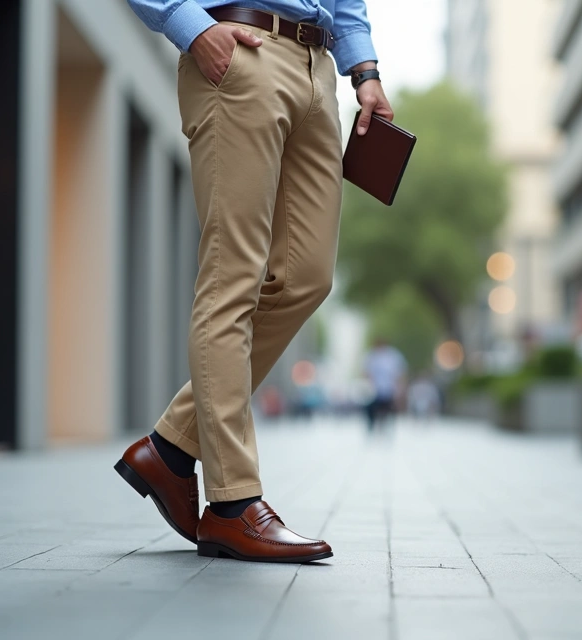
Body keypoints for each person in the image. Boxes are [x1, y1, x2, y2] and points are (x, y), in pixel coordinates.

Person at [114, 0, 392, 564]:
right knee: (231, 278)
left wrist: (364, 69)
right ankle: (232, 504)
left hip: (318, 69)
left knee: (307, 278)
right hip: (240, 49)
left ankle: (172, 446)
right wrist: (189, 25)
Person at [362, 338, 406, 431]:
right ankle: (371, 426)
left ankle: (387, 427)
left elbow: (400, 372)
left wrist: (399, 387)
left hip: (389, 388)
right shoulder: (371, 356)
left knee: (390, 409)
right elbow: (366, 372)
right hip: (375, 389)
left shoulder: (393, 356)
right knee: (370, 409)